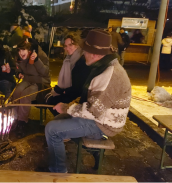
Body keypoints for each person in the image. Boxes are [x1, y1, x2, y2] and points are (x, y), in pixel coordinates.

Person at [45, 29, 131, 173]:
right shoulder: (103, 66)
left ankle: (58, 172)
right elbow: (91, 100)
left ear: (95, 54)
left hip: (103, 124)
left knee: (52, 129)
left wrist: (66, 108)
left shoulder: (109, 73)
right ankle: (84, 152)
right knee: (59, 120)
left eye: (85, 50)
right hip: (99, 117)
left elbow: (93, 111)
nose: (83, 53)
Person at [45, 33, 90, 116]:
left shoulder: (81, 61)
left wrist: (62, 91)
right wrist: (60, 89)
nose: (67, 48)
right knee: (49, 98)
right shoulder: (68, 60)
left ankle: (64, 120)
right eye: (65, 46)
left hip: (78, 97)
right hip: (71, 91)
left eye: (70, 45)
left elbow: (79, 87)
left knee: (51, 101)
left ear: (77, 45)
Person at [13, 37, 50, 135]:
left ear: (29, 50)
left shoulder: (40, 55)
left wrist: (37, 60)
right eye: (20, 50)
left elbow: (45, 73)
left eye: (23, 50)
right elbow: (17, 69)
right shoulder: (18, 57)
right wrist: (18, 74)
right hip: (27, 80)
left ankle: (22, 122)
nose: (21, 53)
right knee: (16, 91)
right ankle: (15, 118)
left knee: (25, 95)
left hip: (40, 82)